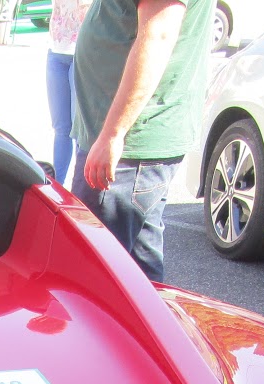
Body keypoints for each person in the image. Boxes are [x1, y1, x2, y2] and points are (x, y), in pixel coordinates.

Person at [70, 0, 214, 282]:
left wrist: (113, 133)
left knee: (96, 278)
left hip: (130, 147)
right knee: (139, 274)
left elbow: (158, 35)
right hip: (126, 144)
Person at [46, 0, 89, 184]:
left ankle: (81, 189)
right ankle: (56, 187)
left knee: (79, 130)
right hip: (56, 48)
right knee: (61, 128)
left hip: (82, 50)